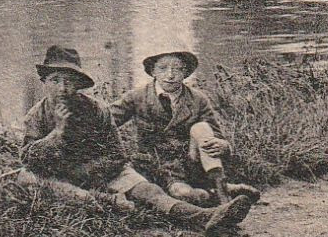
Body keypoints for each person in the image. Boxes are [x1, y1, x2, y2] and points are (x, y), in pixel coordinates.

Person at [20, 45, 251, 234]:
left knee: (150, 191)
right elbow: (29, 161)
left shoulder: (97, 109)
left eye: (70, 81)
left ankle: (205, 217)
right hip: (61, 177)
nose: (62, 88)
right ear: (45, 82)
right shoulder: (36, 116)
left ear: (79, 85)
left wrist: (91, 172)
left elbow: (116, 155)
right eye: (55, 80)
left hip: (101, 171)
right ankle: (111, 201)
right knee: (66, 191)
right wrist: (57, 133)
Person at [110, 49, 262, 209]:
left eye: (177, 69)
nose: (170, 75)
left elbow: (216, 134)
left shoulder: (198, 99)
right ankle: (215, 194)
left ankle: (222, 191)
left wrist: (223, 146)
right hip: (158, 166)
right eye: (163, 68)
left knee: (201, 128)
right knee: (185, 195)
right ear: (153, 71)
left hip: (192, 164)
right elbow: (106, 120)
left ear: (185, 73)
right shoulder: (137, 97)